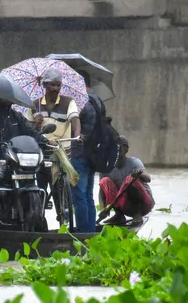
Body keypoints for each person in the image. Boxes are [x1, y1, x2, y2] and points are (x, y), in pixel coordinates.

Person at [25, 67, 81, 221]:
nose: (56, 88)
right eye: (52, 85)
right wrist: (35, 124)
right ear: (44, 85)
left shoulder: (68, 102)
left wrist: (77, 135)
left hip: (61, 152)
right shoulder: (34, 105)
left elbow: (75, 118)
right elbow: (27, 130)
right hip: (41, 153)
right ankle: (39, 221)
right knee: (40, 189)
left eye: (58, 85)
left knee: (60, 192)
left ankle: (64, 220)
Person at [0, 95, 55, 192]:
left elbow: (31, 132)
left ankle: (40, 200)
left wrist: (46, 141)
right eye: (5, 95)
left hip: (16, 159)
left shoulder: (17, 116)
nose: (8, 98)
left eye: (9, 95)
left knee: (42, 169)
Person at [98, 136, 155, 226]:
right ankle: (119, 215)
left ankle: (137, 214)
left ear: (126, 150)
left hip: (143, 204)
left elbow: (148, 179)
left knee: (130, 179)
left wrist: (139, 175)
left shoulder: (134, 163)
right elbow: (102, 190)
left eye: (118, 149)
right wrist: (102, 209)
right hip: (124, 205)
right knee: (105, 181)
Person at [69, 70, 100, 232]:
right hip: (93, 155)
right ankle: (90, 232)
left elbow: (73, 125)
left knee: (79, 197)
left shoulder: (81, 103)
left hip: (79, 154)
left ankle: (81, 233)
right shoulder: (98, 101)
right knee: (88, 196)